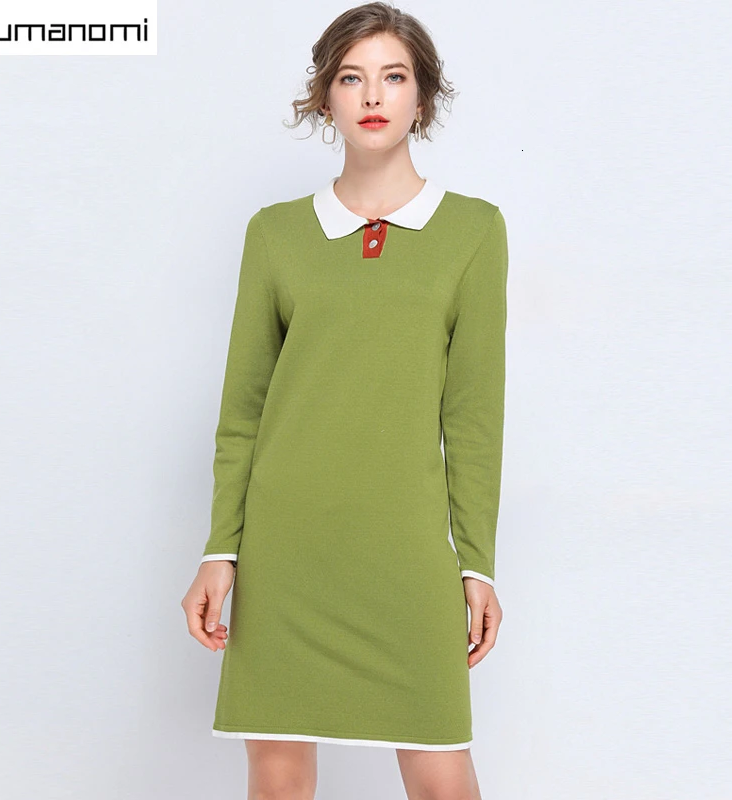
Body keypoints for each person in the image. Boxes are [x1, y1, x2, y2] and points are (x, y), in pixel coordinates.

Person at [181, 3, 508, 797]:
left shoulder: (473, 232)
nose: (373, 95)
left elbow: (472, 418)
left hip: (405, 551)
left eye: (394, 77)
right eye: (351, 78)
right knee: (278, 772)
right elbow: (244, 410)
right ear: (324, 96)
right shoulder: (275, 234)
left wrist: (476, 563)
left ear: (422, 97)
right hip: (286, 551)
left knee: (440, 768)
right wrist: (221, 550)